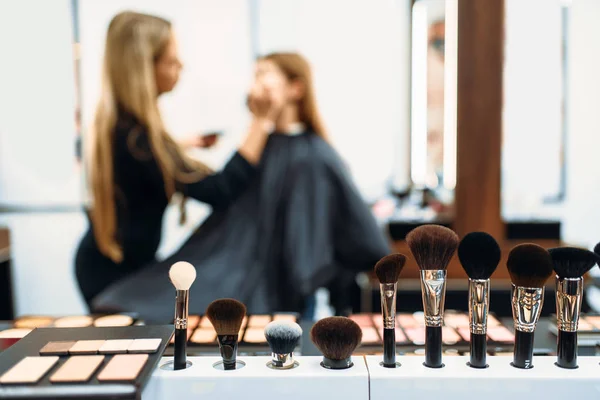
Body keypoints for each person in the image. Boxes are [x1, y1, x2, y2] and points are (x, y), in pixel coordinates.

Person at [92, 52, 391, 321]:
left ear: (295, 89)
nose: (255, 83)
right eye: (254, 76)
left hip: (288, 288)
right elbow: (225, 191)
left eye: (264, 74)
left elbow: (329, 234)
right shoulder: (264, 147)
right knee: (128, 305)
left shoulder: (314, 155)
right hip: (240, 273)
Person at [75, 11, 280, 307]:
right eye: (171, 61)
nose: (181, 66)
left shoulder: (124, 125)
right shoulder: (140, 141)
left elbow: (143, 165)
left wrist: (180, 146)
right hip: (114, 278)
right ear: (144, 68)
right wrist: (260, 123)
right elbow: (220, 190)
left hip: (115, 264)